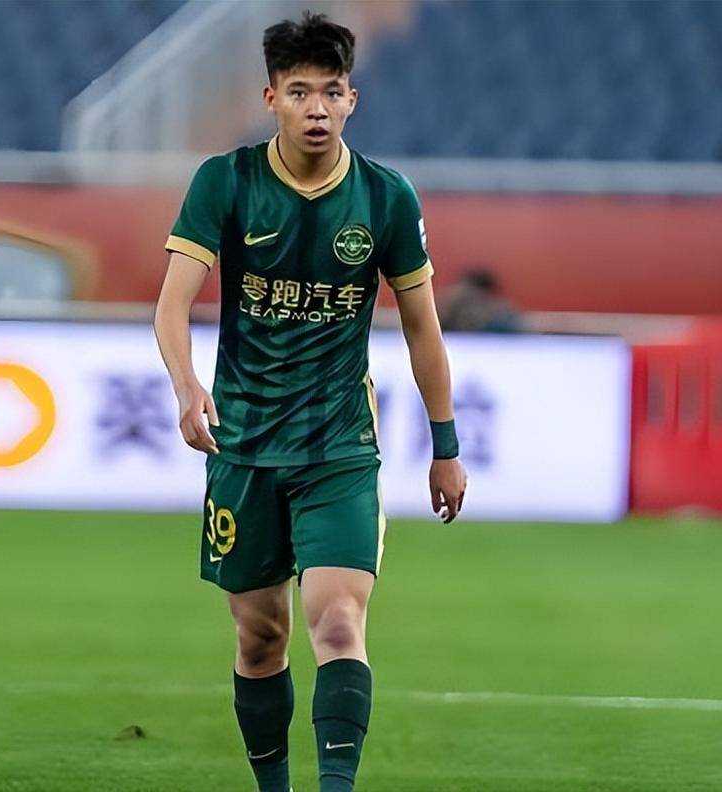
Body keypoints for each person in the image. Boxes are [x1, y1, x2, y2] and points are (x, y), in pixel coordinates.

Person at [153, 12, 467, 792]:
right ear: (272, 99)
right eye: (300, 92)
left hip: (339, 447)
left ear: (353, 99)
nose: (317, 108)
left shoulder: (385, 198)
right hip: (244, 442)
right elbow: (172, 305)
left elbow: (422, 328)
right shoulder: (226, 182)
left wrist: (446, 446)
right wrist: (187, 387)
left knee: (337, 621)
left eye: (331, 91)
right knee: (260, 638)